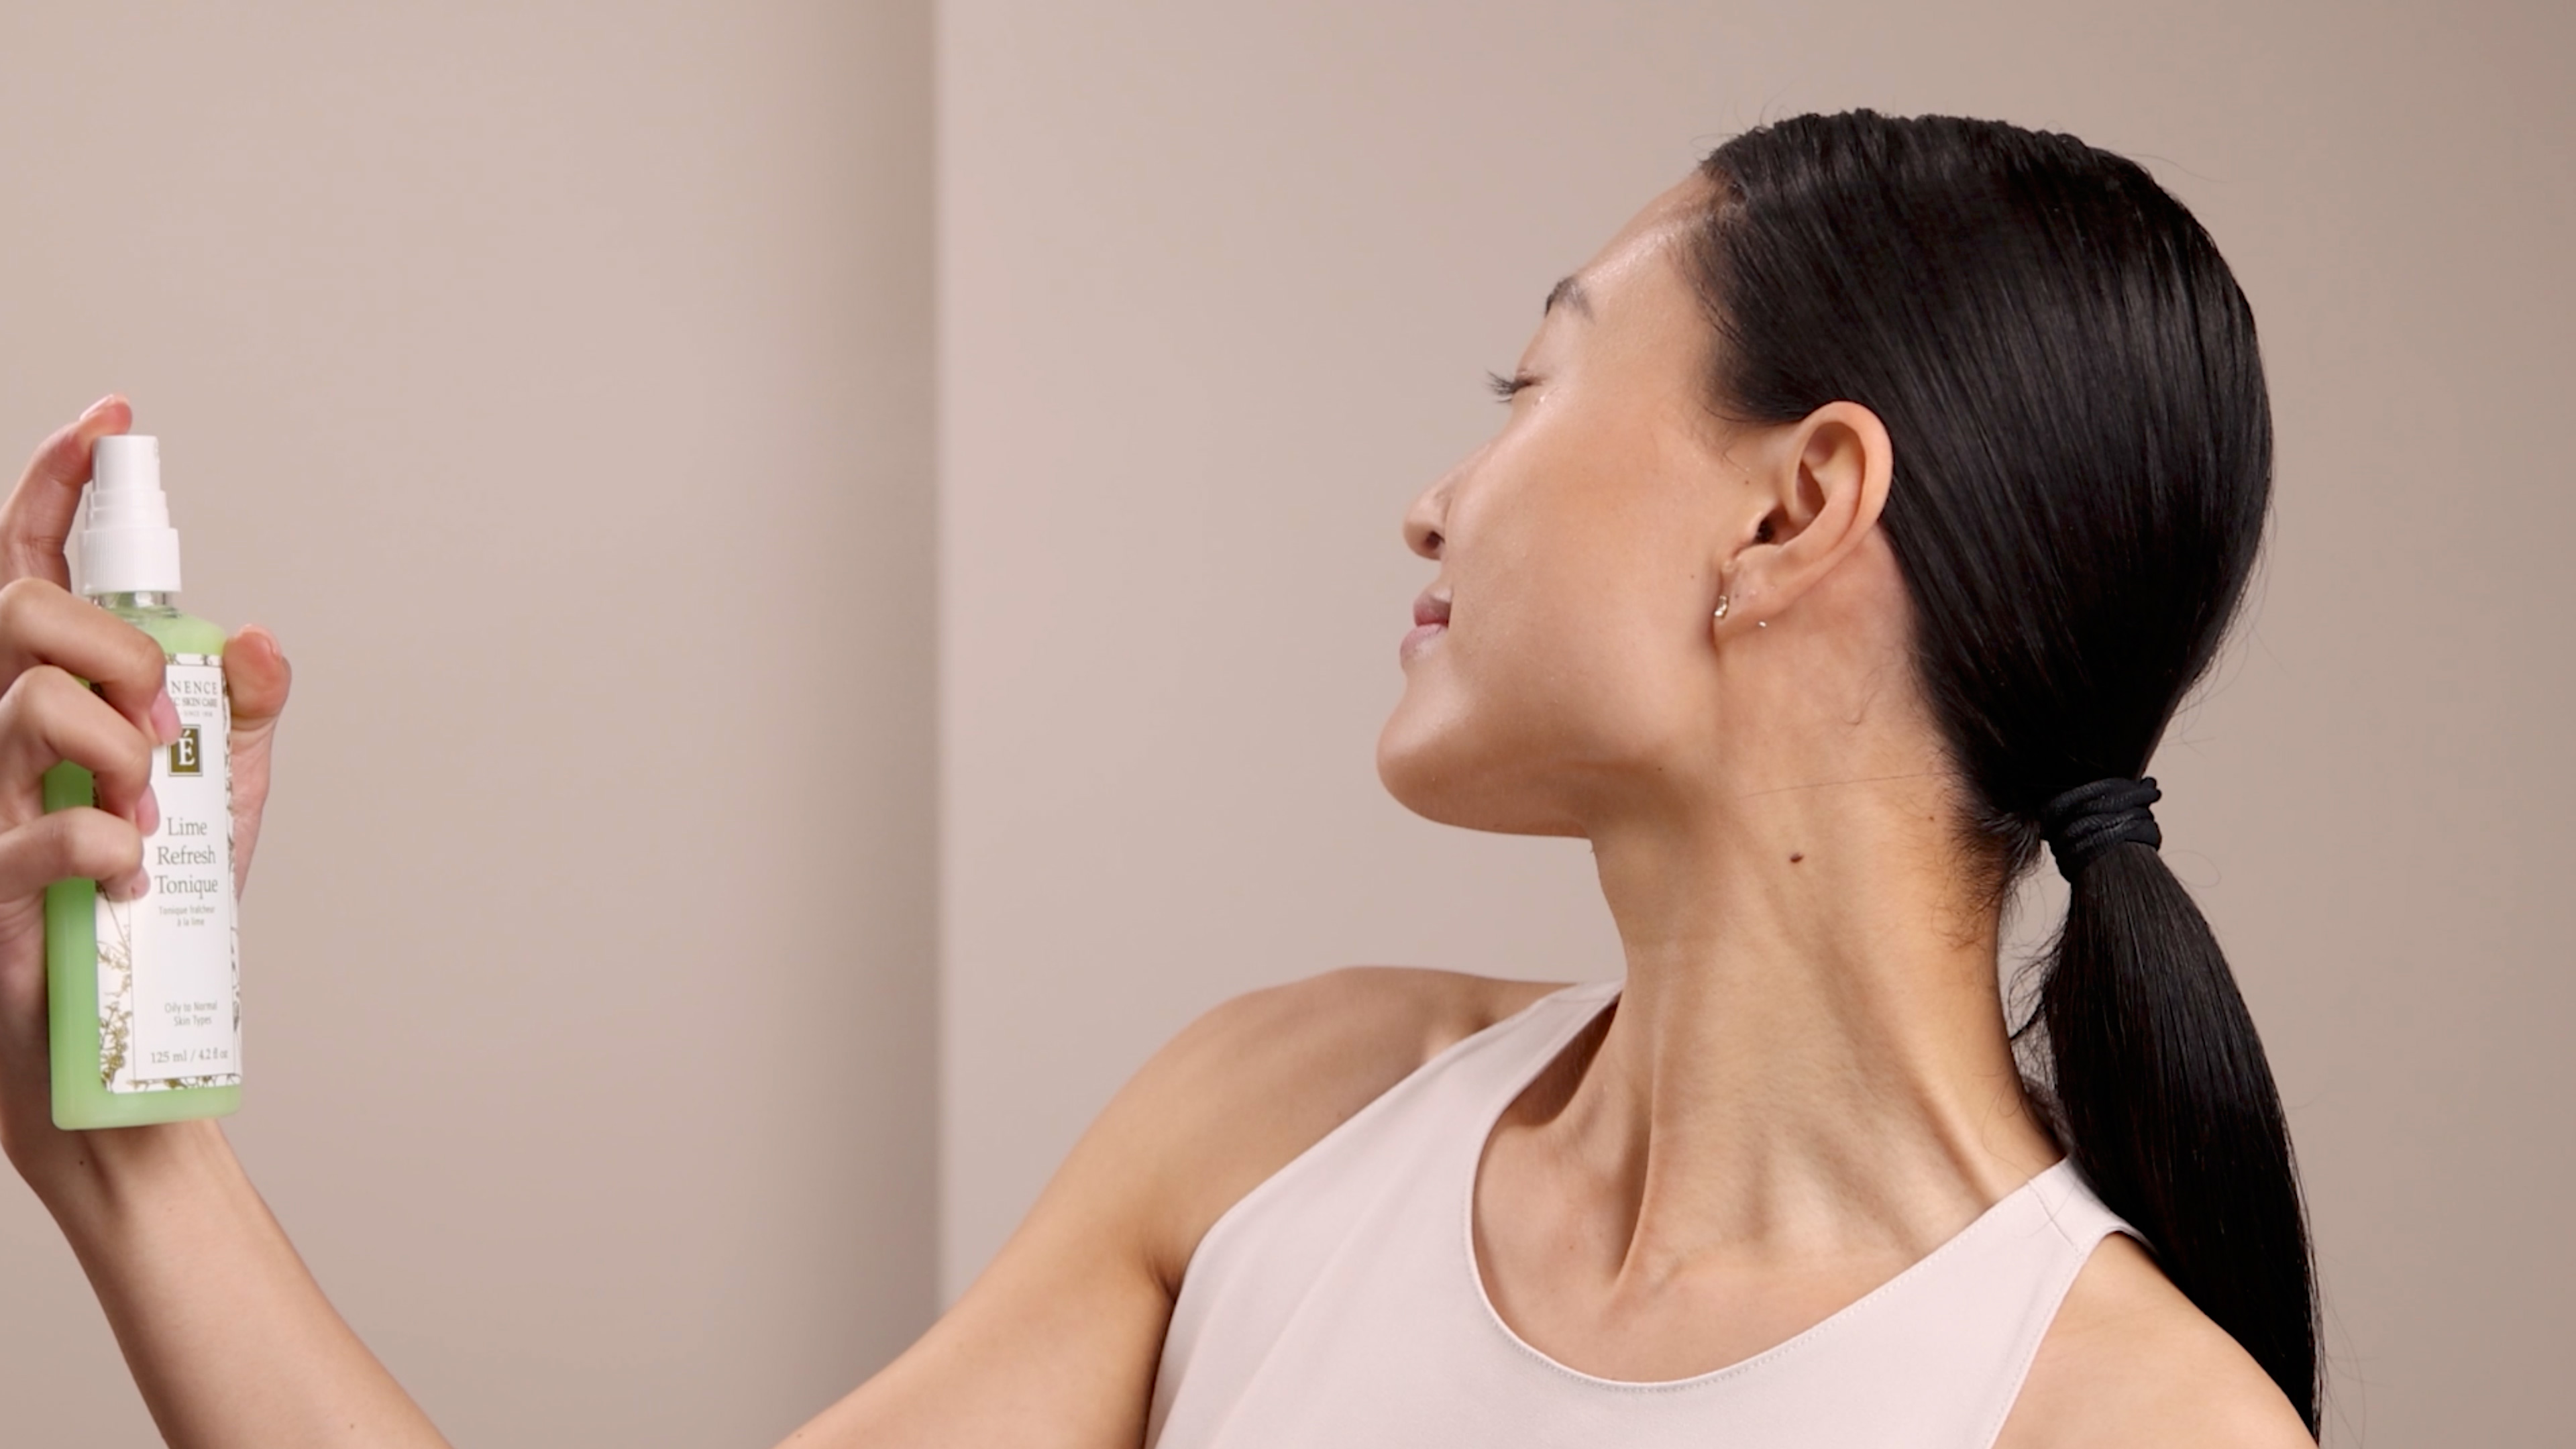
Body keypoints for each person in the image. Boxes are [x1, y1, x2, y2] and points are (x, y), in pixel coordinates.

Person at [0, 110, 2317, 1447]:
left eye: (1533, 384)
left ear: (1795, 509)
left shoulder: (2128, 1423)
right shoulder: (1292, 1115)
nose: (1439, 498)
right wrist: (105, 1128)